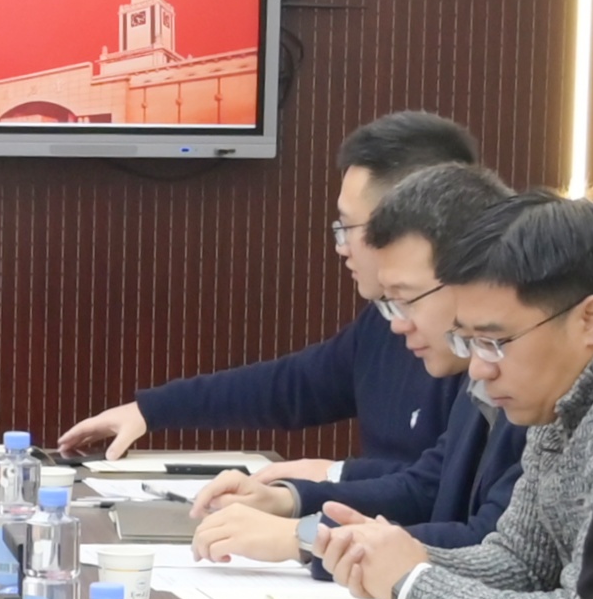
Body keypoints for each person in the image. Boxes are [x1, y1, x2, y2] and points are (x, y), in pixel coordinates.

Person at [302, 189, 593, 599]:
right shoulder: (569, 390)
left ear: (589, 320)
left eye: (495, 342)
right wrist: (397, 556)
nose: (479, 369)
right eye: (469, 341)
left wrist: (411, 583)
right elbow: (521, 563)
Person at [51, 108, 483, 476]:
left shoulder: (481, 348)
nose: (340, 246)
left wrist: (329, 479)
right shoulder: (384, 320)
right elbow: (291, 386)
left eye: (348, 226)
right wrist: (151, 410)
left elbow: (441, 492)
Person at [185, 162, 522, 563]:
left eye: (406, 299)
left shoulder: (532, 390)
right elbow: (426, 487)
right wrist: (289, 499)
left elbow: (492, 550)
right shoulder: (481, 373)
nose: (397, 324)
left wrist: (306, 538)